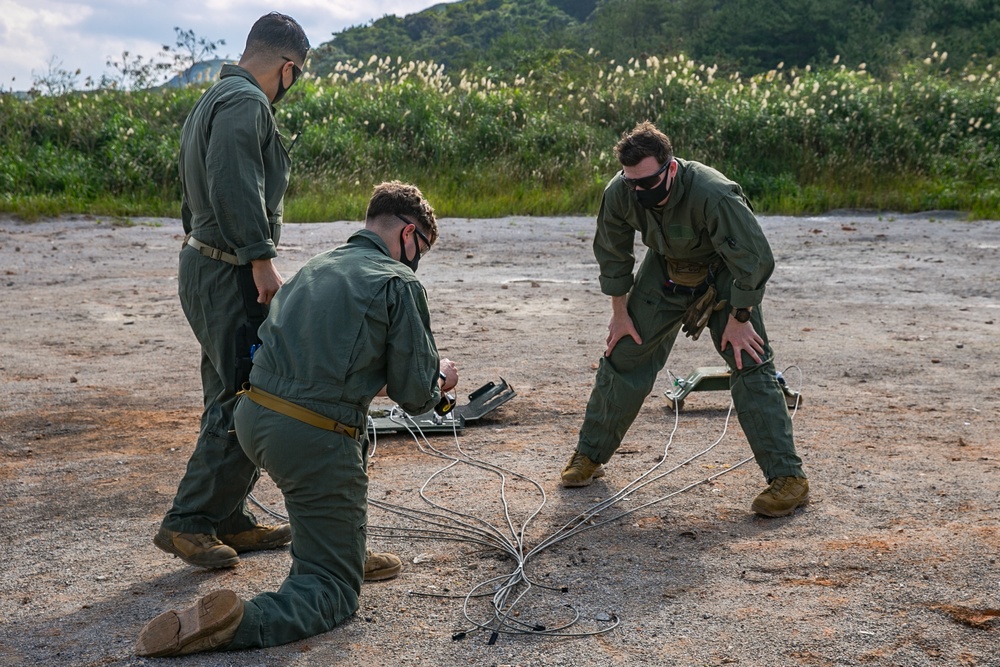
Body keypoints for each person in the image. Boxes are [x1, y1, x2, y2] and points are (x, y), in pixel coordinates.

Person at [136, 181, 459, 657]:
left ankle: (343, 545)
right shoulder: (399, 282)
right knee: (332, 591)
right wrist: (440, 380)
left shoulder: (316, 266)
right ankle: (243, 620)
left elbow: (331, 361)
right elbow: (414, 397)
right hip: (309, 437)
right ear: (409, 235)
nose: (417, 260)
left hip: (253, 418)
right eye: (422, 250)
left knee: (335, 454)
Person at [560, 120, 809, 517]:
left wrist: (740, 317)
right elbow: (614, 253)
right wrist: (620, 314)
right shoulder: (621, 191)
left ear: (670, 168)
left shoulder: (715, 194)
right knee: (624, 354)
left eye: (647, 182)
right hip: (665, 271)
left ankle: (788, 479)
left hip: (723, 273)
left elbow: (755, 259)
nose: (639, 192)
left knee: (749, 360)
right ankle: (588, 456)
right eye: (632, 184)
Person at [152, 13, 309, 570]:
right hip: (229, 271)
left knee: (227, 388)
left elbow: (194, 191)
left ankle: (228, 516)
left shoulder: (212, 98)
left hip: (205, 263)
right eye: (298, 76)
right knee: (249, 393)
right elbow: (234, 184)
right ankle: (189, 521)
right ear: (287, 69)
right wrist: (260, 261)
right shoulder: (247, 104)